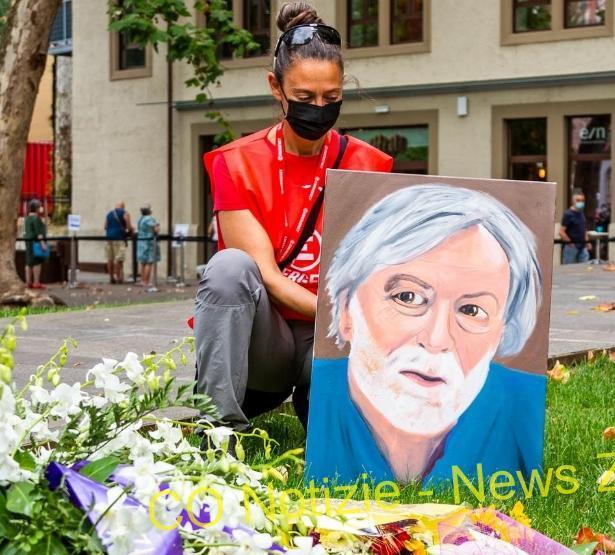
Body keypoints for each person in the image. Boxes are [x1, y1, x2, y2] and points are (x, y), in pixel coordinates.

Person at [194, 2, 393, 433]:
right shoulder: (236, 163)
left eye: (331, 98)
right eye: (304, 97)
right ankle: (218, 429)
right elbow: (263, 274)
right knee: (229, 268)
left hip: (331, 344)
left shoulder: (369, 165)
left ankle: (332, 410)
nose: (318, 108)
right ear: (276, 87)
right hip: (269, 339)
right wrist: (339, 316)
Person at [307, 185, 545, 484]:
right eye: (407, 297)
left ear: (501, 331)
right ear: (345, 309)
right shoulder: (317, 397)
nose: (436, 340)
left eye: (471, 311)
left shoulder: (524, 410)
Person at [104, 201, 134, 284]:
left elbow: (105, 226)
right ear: (123, 206)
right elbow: (128, 226)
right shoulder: (125, 213)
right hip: (119, 237)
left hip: (109, 238)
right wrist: (130, 230)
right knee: (119, 259)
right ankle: (119, 278)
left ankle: (111, 277)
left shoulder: (109, 214)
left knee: (110, 258)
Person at [559, 190, 590, 264]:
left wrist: (587, 242)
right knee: (569, 269)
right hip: (572, 248)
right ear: (573, 201)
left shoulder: (581, 213)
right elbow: (561, 231)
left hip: (582, 247)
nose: (580, 202)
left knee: (584, 268)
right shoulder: (568, 214)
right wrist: (570, 243)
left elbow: (584, 229)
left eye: (582, 200)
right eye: (578, 200)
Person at [23, 199, 48, 289]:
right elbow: (39, 233)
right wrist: (43, 244)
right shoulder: (36, 219)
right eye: (40, 206)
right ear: (37, 208)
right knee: (37, 262)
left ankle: (28, 282)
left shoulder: (27, 219)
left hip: (28, 242)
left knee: (28, 262)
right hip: (36, 243)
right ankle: (36, 282)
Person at [136, 203, 161, 287]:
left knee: (142, 262)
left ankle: (142, 280)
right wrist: (157, 226)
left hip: (141, 241)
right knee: (149, 262)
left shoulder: (140, 219)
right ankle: (146, 281)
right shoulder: (150, 219)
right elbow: (156, 230)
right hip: (149, 242)